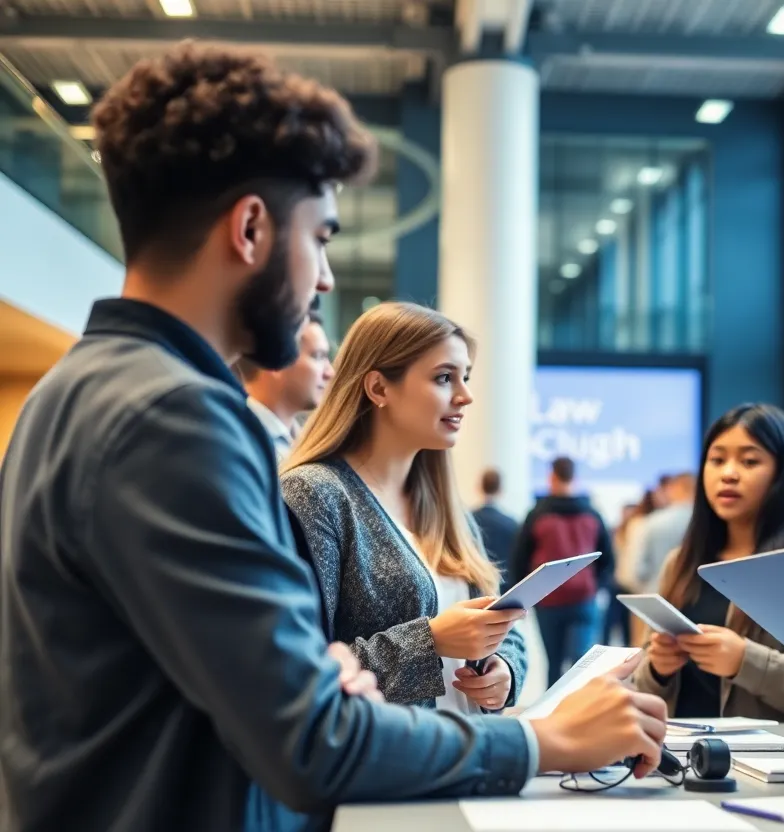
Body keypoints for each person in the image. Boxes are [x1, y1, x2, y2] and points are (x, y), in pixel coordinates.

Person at [0, 43, 667, 832]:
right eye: (320, 237)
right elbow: (309, 738)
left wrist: (329, 678)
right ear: (251, 228)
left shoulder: (71, 392)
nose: (322, 278)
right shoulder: (172, 420)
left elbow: (250, 689)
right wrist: (540, 742)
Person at [280, 302, 528, 714]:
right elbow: (299, 669)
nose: (465, 396)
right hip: (386, 768)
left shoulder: (447, 507)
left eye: (465, 378)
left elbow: (501, 621)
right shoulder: (315, 494)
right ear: (378, 388)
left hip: (468, 761)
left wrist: (505, 668)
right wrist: (429, 641)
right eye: (445, 378)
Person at [633, 404, 784, 729]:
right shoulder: (682, 562)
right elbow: (642, 685)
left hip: (782, 768)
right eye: (717, 459)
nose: (728, 473)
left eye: (750, 461)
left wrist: (745, 661)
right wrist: (657, 668)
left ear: (782, 473)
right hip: (686, 762)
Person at [511, 456, 616, 685]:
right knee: (581, 664)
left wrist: (524, 598)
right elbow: (607, 558)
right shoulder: (591, 513)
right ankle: (581, 714)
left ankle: (553, 716)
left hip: (549, 599)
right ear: (574, 477)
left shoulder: (538, 514)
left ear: (552, 476)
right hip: (584, 599)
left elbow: (521, 557)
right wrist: (597, 586)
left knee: (554, 663)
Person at [236, 310, 334, 462]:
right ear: (278, 361)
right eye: (318, 356)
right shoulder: (238, 442)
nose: (330, 372)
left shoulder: (301, 441)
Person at [632, 471, 696, 592]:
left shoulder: (652, 522)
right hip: (693, 595)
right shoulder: (703, 522)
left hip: (657, 594)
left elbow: (640, 570)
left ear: (674, 489)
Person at [473, 468, 519, 578]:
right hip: (505, 584)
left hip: (477, 584)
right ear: (500, 489)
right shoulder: (512, 524)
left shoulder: (468, 520)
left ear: (480, 487)